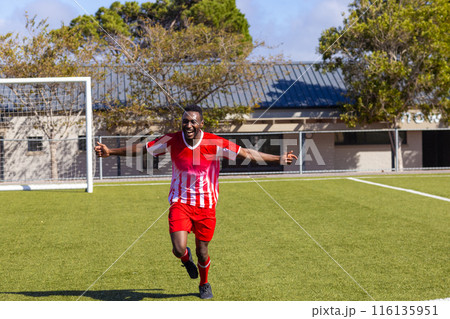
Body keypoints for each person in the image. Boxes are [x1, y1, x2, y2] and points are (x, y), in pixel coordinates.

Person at [95, 105, 297, 299]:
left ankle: (204, 284)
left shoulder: (215, 143)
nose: (188, 125)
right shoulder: (172, 140)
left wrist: (279, 158)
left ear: (201, 124)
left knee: (202, 252)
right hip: (180, 203)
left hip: (206, 206)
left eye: (193, 122)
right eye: (185, 121)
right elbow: (143, 149)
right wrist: (110, 152)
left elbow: (247, 154)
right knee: (179, 248)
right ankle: (185, 258)